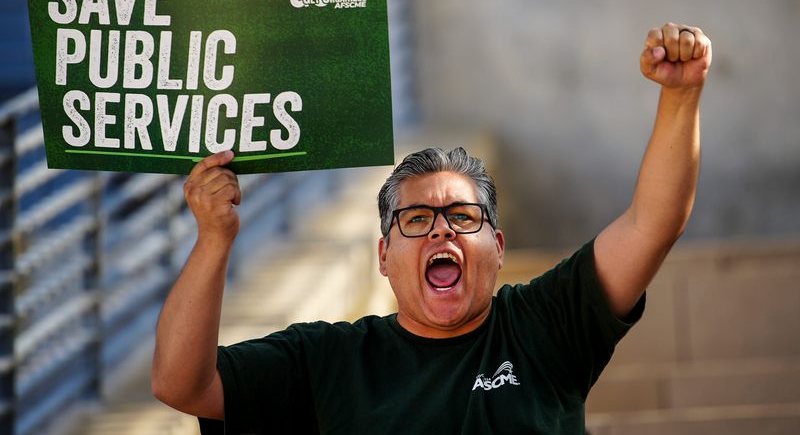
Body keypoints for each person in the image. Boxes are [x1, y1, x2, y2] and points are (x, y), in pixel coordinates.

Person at [151, 22, 712, 433]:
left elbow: (653, 222)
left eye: (462, 217)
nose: (441, 232)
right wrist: (213, 239)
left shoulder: (547, 325)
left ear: (496, 245)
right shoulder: (329, 361)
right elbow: (182, 385)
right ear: (383, 254)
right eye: (416, 219)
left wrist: (680, 95)